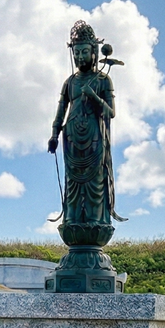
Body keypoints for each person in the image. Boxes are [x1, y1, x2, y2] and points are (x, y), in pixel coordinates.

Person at [47, 21, 124, 229]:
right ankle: (72, 220)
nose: (80, 57)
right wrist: (54, 135)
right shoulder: (70, 82)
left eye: (84, 52)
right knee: (73, 182)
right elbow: (60, 112)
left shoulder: (103, 80)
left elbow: (111, 112)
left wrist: (94, 97)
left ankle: (95, 221)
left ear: (94, 53)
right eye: (77, 53)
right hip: (72, 138)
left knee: (95, 181)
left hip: (95, 138)